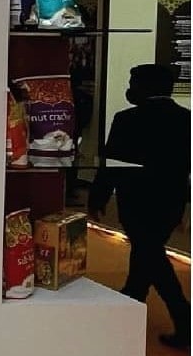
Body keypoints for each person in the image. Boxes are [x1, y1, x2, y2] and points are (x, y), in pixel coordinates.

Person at [89, 64, 190, 348]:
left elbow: (112, 164)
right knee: (147, 251)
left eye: (133, 83)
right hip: (171, 202)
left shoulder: (126, 119)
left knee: (150, 254)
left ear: (145, 87)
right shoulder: (186, 119)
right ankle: (132, 296)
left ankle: (184, 316)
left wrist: (98, 198)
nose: (130, 88)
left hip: (136, 201)